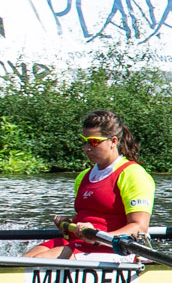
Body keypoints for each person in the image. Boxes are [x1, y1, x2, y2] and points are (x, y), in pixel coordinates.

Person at [30, 109, 154, 258]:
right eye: (85, 141)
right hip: (80, 244)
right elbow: (89, 217)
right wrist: (70, 225)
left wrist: (98, 237)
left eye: (94, 142)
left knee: (39, 261)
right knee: (18, 263)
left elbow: (139, 228)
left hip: (111, 250)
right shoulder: (83, 177)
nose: (87, 148)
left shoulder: (133, 174)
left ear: (113, 141)